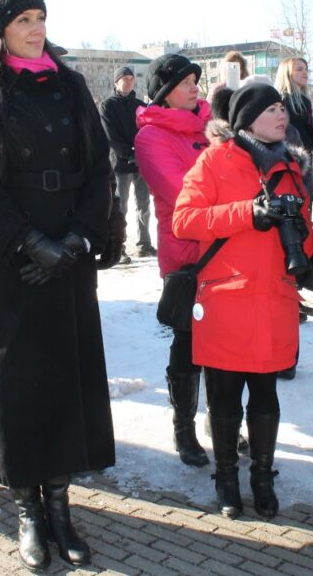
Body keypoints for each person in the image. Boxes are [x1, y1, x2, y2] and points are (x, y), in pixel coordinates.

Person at [0, 0, 113, 570]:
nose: (36, 28)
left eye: (40, 16)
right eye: (23, 19)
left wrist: (76, 239)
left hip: (66, 258)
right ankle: (27, 512)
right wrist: (27, 242)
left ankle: (61, 507)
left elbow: (100, 168)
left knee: (63, 383)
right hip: (5, 261)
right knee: (14, 390)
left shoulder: (70, 84)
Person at [173, 84, 313, 519]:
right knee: (225, 398)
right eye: (271, 109)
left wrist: (300, 233)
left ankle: (262, 477)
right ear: (248, 119)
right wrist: (248, 213)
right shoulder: (215, 159)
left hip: (274, 298)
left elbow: (308, 242)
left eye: (282, 108)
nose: (282, 116)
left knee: (266, 398)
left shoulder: (292, 166)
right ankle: (226, 479)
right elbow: (184, 220)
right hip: (226, 299)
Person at [135, 53, 214, 471]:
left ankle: (222, 418)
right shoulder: (152, 136)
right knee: (188, 339)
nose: (195, 87)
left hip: (226, 245)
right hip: (186, 251)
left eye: (195, 80)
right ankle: (184, 427)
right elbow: (181, 192)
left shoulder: (211, 127)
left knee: (224, 338)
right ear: (165, 92)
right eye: (186, 82)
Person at [100, 66, 154, 262]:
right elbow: (110, 135)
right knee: (120, 207)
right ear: (116, 81)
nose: (129, 81)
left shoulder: (140, 105)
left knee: (144, 205)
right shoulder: (108, 105)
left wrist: (142, 154)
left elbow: (148, 131)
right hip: (120, 164)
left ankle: (144, 244)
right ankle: (118, 247)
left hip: (141, 162)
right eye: (125, 78)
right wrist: (128, 153)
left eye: (131, 78)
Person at [274, 57, 313, 152]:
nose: (305, 73)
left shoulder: (304, 100)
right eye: (299, 69)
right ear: (287, 73)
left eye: (306, 69)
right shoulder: (284, 101)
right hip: (295, 152)